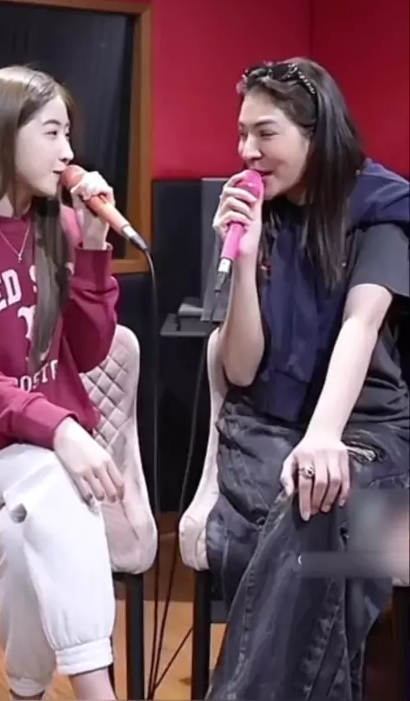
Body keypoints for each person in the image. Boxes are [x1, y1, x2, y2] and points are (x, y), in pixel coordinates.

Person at [202, 59, 409, 700]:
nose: (247, 151)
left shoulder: (381, 206)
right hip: (264, 423)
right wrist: (243, 260)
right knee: (316, 518)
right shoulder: (255, 213)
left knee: (321, 498)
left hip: (365, 425)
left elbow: (360, 325)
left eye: (266, 133)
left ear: (317, 134)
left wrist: (323, 437)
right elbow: (241, 368)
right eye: (242, 133)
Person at [0, 67, 123, 701]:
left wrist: (92, 246)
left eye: (69, 134)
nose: (68, 152)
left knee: (25, 525)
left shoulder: (57, 228)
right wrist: (60, 428)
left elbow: (88, 351)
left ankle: (27, 691)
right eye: (52, 133)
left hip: (34, 461)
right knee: (50, 472)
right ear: (1, 135)